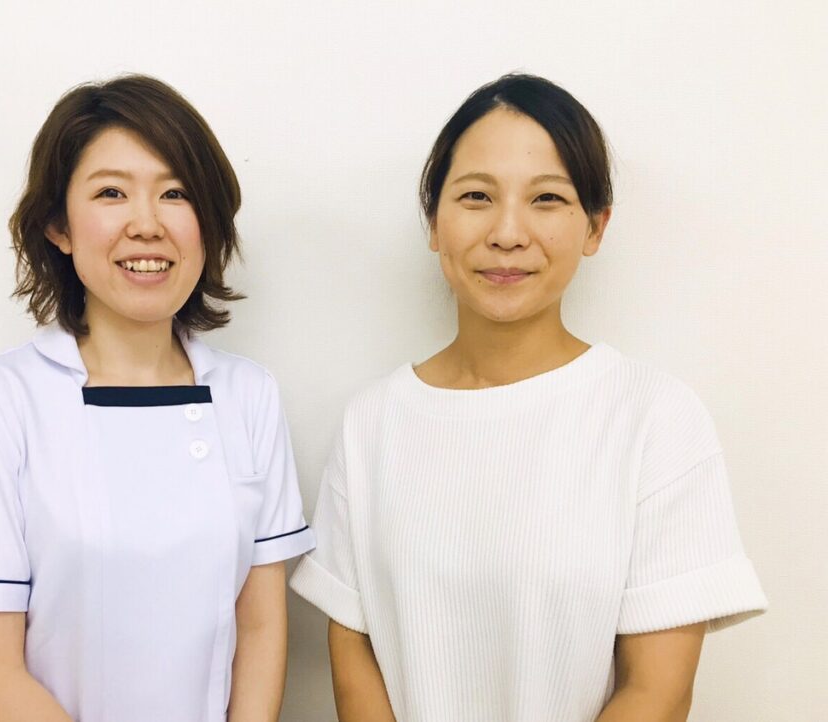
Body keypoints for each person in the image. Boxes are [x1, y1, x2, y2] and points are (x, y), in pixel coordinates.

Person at [289, 73, 767, 722]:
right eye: (476, 196)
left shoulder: (655, 419)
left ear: (595, 227)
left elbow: (656, 692)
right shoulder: (372, 424)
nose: (508, 233)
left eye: (547, 199)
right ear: (433, 221)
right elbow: (356, 661)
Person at [0, 74, 314, 722]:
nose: (146, 225)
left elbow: (261, 629)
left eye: (175, 193)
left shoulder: (248, 396)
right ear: (59, 226)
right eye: (111, 193)